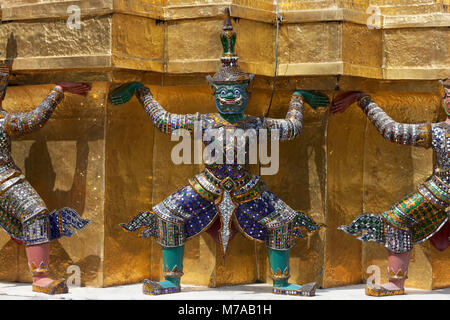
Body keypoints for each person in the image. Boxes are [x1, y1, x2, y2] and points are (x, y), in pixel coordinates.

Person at [115, 9, 329, 296]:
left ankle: (281, 282)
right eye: (223, 95)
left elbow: (292, 128)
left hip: (246, 186)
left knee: (283, 221)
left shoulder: (255, 123)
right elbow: (163, 120)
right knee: (167, 215)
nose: (230, 100)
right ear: (214, 95)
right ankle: (171, 280)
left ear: (248, 95)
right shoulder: (201, 121)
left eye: (237, 94)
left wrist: (298, 98)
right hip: (207, 184)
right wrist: (142, 92)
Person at [331, 79, 450, 296]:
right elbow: (392, 130)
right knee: (395, 220)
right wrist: (362, 99)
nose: (449, 101)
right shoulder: (440, 131)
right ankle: (395, 283)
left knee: (396, 220)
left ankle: (396, 284)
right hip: (441, 189)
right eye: (447, 96)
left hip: (443, 190)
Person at [0, 59, 91, 295]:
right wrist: (57, 90)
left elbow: (33, 120)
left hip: (5, 178)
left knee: (34, 212)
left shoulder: (3, 120)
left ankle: (40, 276)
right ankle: (40, 277)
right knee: (34, 211)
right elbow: (33, 120)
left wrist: (58, 91)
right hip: (3, 178)